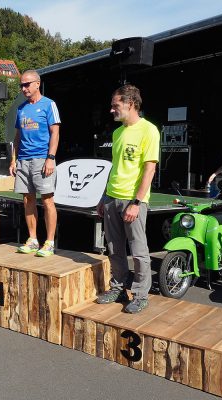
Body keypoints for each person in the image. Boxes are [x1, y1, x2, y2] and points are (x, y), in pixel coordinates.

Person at [96, 84, 160, 314]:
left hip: (132, 201)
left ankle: (141, 294)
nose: (112, 110)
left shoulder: (149, 130)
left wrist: (137, 202)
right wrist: (104, 196)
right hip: (113, 198)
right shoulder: (117, 132)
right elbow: (116, 168)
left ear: (130, 104)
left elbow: (149, 170)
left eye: (116, 105)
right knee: (114, 248)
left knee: (139, 250)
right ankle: (119, 287)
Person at [9, 70, 60, 257]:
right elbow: (17, 136)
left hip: (42, 159)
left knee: (47, 200)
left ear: (37, 84)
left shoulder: (49, 105)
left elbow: (55, 132)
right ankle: (32, 239)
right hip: (23, 159)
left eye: (27, 84)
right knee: (27, 199)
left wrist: (51, 158)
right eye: (21, 85)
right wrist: (14, 160)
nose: (24, 88)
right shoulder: (21, 108)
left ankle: (49, 242)